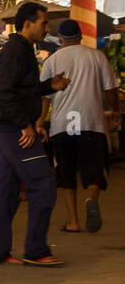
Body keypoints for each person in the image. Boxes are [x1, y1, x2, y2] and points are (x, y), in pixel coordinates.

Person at [0, 1, 71, 265]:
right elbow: (1, 93)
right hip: (15, 131)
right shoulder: (15, 51)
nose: (47, 28)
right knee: (43, 185)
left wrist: (47, 87)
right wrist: (25, 124)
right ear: (28, 23)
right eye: (44, 23)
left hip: (9, 128)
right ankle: (36, 250)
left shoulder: (23, 50)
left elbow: (20, 89)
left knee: (6, 191)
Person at [41, 18, 120, 233]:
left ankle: (73, 222)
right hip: (90, 122)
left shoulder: (51, 61)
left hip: (62, 125)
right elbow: (111, 90)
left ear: (59, 39)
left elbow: (45, 96)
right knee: (95, 168)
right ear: (81, 36)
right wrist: (115, 111)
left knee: (65, 174)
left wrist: (40, 122)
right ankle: (91, 198)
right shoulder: (96, 56)